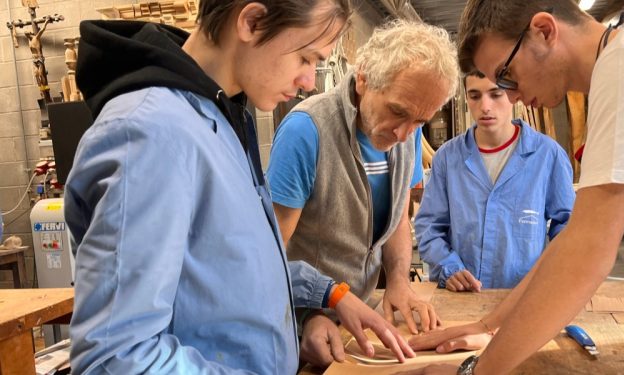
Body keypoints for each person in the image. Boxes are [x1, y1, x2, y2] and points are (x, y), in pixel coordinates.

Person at [65, 1, 416, 373]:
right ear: (252, 21)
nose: (309, 82)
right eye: (305, 58)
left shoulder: (220, 118)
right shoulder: (151, 136)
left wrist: (329, 293)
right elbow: (116, 358)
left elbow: (231, 267)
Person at [401, 0, 624, 374]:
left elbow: (587, 254)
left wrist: (475, 371)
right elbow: (573, 244)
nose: (512, 96)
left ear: (545, 31)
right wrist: (489, 325)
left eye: (507, 74)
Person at [267, 20, 458, 336]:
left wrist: (398, 281)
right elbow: (267, 258)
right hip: (303, 323)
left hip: (364, 317)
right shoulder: (306, 132)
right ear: (363, 80)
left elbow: (398, 218)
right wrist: (306, 320)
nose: (402, 133)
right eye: (396, 111)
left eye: (419, 120)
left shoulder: (409, 131)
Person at [415, 72, 574, 292]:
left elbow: (568, 227)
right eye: (475, 96)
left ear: (514, 95)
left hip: (522, 296)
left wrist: (549, 273)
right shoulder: (448, 158)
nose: (485, 106)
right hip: (462, 297)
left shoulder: (547, 156)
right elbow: (429, 226)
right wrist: (449, 267)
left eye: (496, 94)